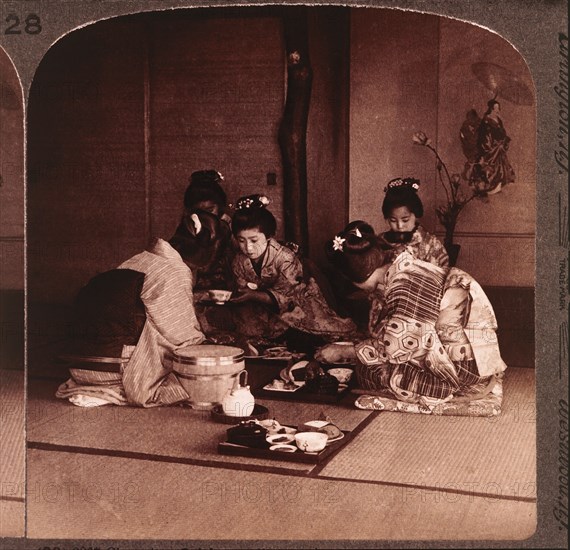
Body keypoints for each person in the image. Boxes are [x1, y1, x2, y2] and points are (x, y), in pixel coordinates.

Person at [317, 220, 507, 406]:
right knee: (371, 360)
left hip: (465, 372)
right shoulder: (405, 267)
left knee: (369, 372)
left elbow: (398, 346)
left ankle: (449, 387)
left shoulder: (403, 284)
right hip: (479, 358)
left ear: (355, 277)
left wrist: (344, 351)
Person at [56, 210, 222, 407]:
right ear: (209, 253)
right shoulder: (176, 270)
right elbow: (180, 334)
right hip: (116, 371)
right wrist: (208, 344)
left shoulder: (138, 259)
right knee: (204, 368)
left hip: (79, 365)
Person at [228, 194, 356, 349]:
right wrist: (244, 292)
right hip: (259, 305)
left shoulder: (285, 257)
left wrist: (254, 294)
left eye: (254, 240)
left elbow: (289, 295)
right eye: (241, 240)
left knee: (307, 334)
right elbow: (242, 286)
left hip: (296, 301)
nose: (248, 247)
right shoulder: (239, 260)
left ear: (269, 236)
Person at [380, 177, 449, 268]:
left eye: (405, 220)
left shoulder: (432, 244)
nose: (400, 226)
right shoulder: (380, 242)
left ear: (416, 214)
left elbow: (441, 275)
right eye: (393, 220)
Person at [471, 99, 515, 195]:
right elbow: (484, 135)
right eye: (496, 108)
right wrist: (489, 146)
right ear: (491, 108)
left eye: (498, 108)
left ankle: (498, 186)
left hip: (499, 146)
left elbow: (502, 132)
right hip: (491, 147)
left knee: (501, 166)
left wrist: (503, 139)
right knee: (490, 166)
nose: (498, 110)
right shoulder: (486, 120)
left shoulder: (498, 120)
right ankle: (489, 187)